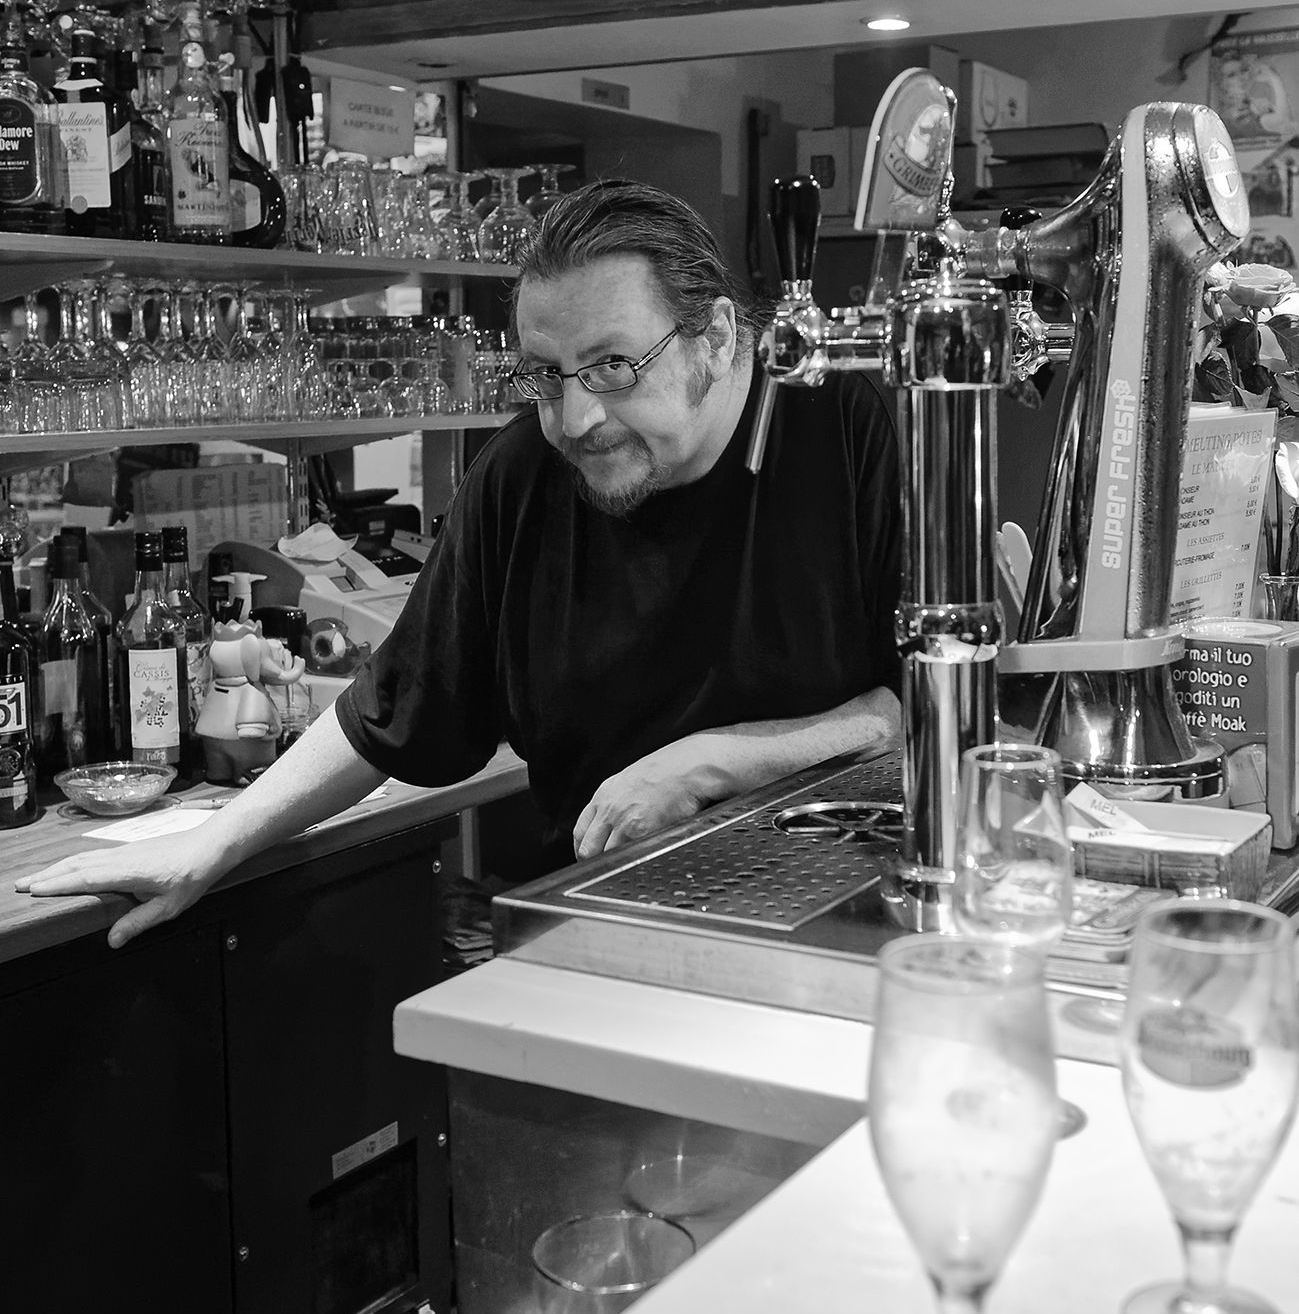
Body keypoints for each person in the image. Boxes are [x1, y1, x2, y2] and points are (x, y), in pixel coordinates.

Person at [20, 180, 902, 948]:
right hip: (600, 921)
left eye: (612, 366)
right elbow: (394, 708)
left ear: (714, 336)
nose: (576, 420)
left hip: (848, 910)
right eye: (545, 375)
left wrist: (708, 763)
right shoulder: (524, 475)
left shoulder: (844, 426)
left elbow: (925, 710)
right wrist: (216, 841)